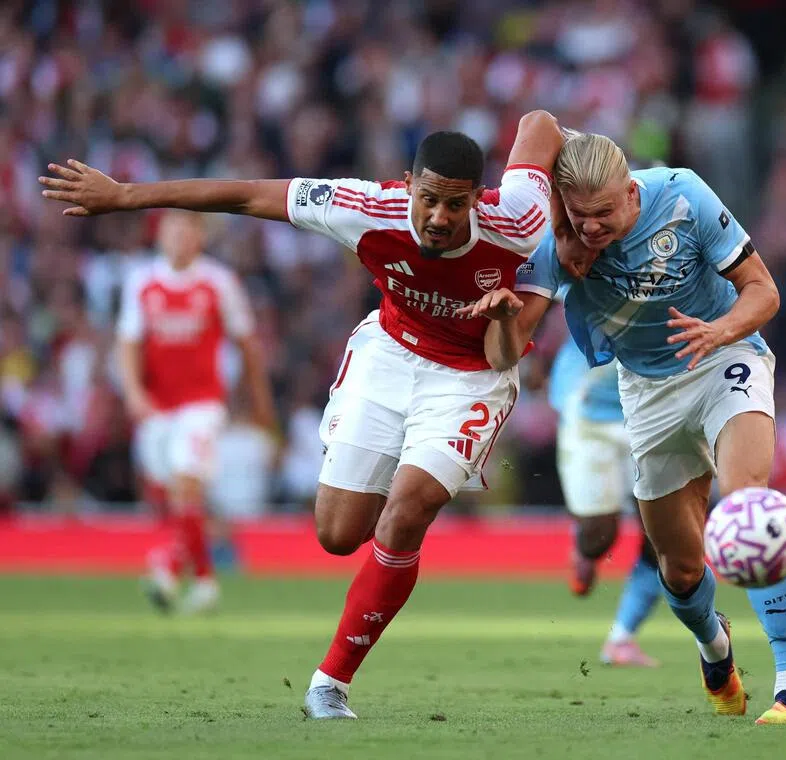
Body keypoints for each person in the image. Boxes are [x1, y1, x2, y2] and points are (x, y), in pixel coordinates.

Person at [39, 111, 564, 720]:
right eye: (428, 200)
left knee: (406, 512)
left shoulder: (520, 219)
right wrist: (126, 196)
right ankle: (385, 550)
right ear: (405, 185)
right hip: (389, 356)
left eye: (455, 205)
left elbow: (540, 124)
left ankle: (330, 682)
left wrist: (578, 187)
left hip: (469, 379)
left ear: (478, 199)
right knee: (339, 534)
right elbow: (247, 194)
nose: (439, 218)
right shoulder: (365, 207)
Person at [462, 133, 786, 724]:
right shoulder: (558, 244)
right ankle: (714, 648)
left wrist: (720, 330)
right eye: (582, 216)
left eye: (606, 212)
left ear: (632, 191)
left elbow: (764, 291)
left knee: (748, 507)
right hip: (646, 393)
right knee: (679, 570)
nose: (594, 228)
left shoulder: (683, 195)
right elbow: (505, 355)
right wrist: (502, 318)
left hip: (722, 358)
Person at [116, 210, 274, 614]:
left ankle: (168, 568)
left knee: (187, 481)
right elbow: (128, 343)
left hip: (203, 402)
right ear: (161, 236)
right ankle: (203, 582)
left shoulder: (218, 282)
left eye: (186, 231)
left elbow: (247, 343)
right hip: (159, 407)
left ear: (199, 237)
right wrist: (134, 393)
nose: (178, 239)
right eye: (172, 231)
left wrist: (259, 400)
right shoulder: (142, 281)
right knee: (177, 495)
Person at [548, 336, 660, 667]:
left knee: (662, 535)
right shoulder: (586, 281)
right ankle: (586, 548)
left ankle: (621, 638)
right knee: (600, 535)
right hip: (589, 412)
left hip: (652, 412)